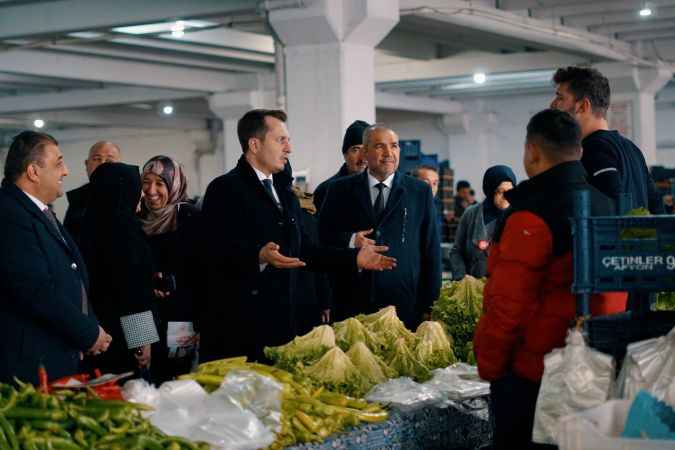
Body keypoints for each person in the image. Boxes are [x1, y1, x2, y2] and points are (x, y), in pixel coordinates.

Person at [473, 109, 627, 450]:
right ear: (580, 151)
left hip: (535, 378)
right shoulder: (606, 206)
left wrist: (492, 368)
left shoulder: (531, 213)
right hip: (595, 371)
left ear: (531, 151)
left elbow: (508, 306)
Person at [199, 109, 395, 363]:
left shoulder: (285, 193)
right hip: (240, 327)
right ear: (255, 145)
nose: (289, 148)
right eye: (281, 140)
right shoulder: (224, 189)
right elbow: (211, 251)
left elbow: (307, 250)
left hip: (283, 323)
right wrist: (257, 255)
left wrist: (354, 259)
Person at [0, 131, 111, 384]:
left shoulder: (37, 210)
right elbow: (34, 289)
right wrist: (87, 332)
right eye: (58, 162)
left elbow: (71, 276)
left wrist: (89, 328)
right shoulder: (9, 214)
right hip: (30, 366)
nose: (66, 172)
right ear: (33, 172)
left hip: (58, 353)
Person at [318, 125, 442, 329]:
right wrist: (350, 240)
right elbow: (322, 239)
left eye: (394, 146)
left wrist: (430, 304)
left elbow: (431, 251)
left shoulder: (419, 192)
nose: (389, 153)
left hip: (403, 305)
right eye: (380, 146)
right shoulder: (338, 190)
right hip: (351, 304)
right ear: (365, 152)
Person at [79, 162, 159, 377]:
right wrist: (141, 341)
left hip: (95, 335)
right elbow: (133, 291)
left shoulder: (85, 225)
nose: (141, 195)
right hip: (122, 340)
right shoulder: (126, 231)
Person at [550, 66, 662, 213]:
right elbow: (657, 206)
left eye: (560, 98)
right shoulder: (632, 149)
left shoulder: (593, 149)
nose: (552, 104)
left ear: (583, 106)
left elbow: (611, 210)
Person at [138, 155, 201, 382]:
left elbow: (204, 273)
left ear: (174, 185)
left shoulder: (188, 217)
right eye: (146, 182)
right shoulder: (136, 219)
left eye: (160, 183)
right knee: (146, 380)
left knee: (178, 377)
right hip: (145, 315)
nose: (151, 190)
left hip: (182, 318)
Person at [449, 165, 516, 280]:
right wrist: (461, 277)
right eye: (500, 192)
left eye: (510, 191)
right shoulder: (471, 214)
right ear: (490, 191)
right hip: (474, 288)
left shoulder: (518, 217)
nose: (506, 197)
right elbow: (456, 251)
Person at [64, 141, 121, 246]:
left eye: (109, 160)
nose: (102, 165)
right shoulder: (77, 199)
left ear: (120, 167)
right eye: (97, 159)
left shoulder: (131, 198)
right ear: (86, 164)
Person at [313, 120, 370, 211]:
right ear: (345, 154)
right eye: (356, 150)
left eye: (366, 150)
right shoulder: (325, 191)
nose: (363, 158)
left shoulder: (381, 189)